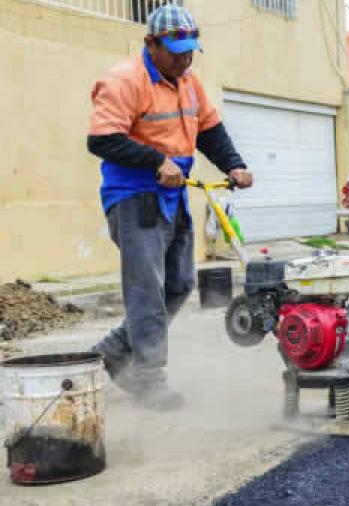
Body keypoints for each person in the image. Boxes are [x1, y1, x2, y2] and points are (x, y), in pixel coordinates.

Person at [88, 4, 252, 410]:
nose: (184, 57)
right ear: (151, 43)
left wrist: (234, 164)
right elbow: (101, 139)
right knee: (147, 290)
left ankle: (114, 348)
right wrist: (155, 161)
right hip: (134, 197)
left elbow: (210, 130)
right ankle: (148, 377)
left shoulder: (189, 82)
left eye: (190, 50)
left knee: (179, 284)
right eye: (176, 50)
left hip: (173, 193)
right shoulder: (125, 80)